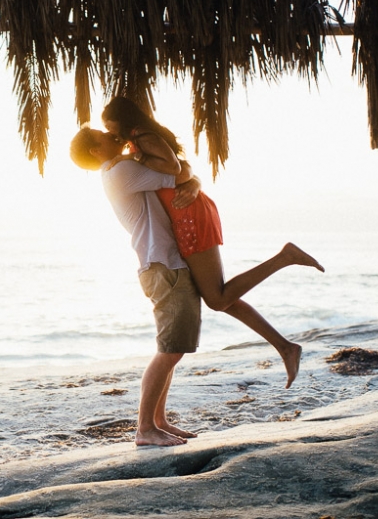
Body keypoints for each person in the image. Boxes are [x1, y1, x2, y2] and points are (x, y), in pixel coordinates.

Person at [100, 96, 325, 389]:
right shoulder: (137, 142)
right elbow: (183, 169)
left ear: (123, 118)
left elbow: (174, 167)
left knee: (217, 298)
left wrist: (135, 159)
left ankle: (285, 258)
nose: (110, 132)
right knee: (219, 297)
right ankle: (286, 347)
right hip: (183, 215)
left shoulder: (142, 137)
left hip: (189, 216)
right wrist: (190, 180)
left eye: (109, 125)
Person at [70, 126, 204, 447]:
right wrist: (193, 180)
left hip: (162, 263)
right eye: (104, 135)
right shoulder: (120, 170)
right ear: (94, 150)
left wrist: (193, 180)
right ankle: (145, 429)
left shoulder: (121, 169)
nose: (111, 135)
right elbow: (177, 171)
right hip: (162, 264)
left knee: (172, 349)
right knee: (170, 350)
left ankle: (159, 421)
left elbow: (180, 173)